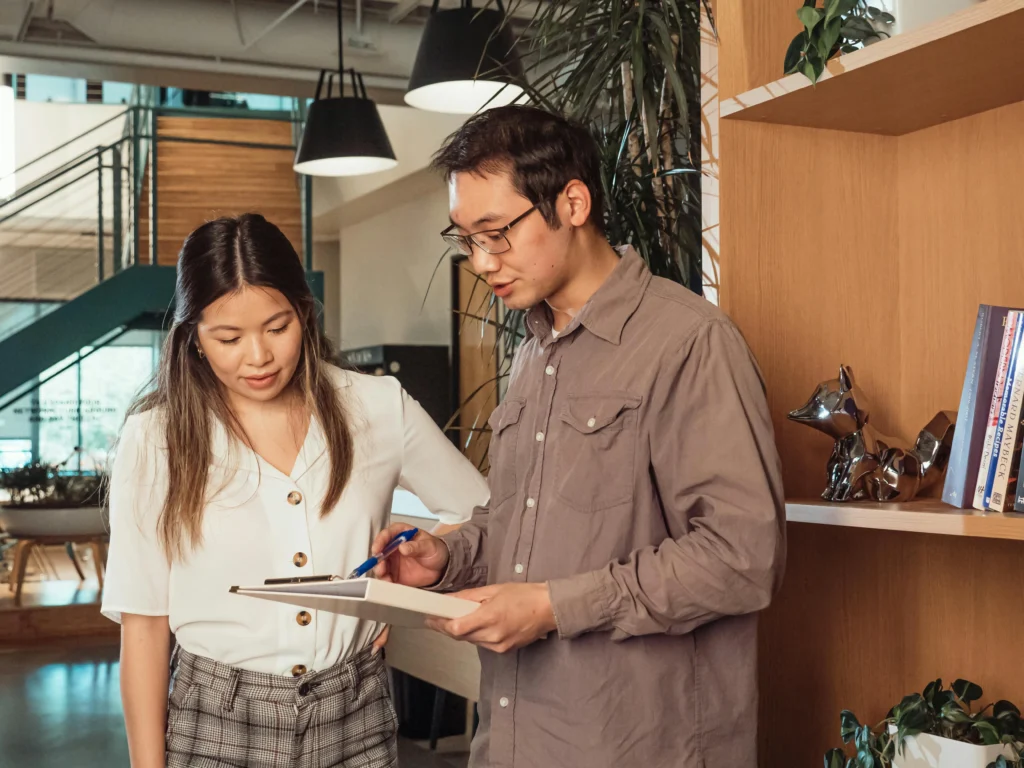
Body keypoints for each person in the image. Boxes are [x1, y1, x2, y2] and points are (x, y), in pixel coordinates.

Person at [371, 105, 787, 768]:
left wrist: (552, 607)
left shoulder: (689, 343)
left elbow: (740, 558)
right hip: (514, 741)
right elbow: (525, 526)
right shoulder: (535, 353)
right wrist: (448, 559)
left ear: (572, 201)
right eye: (466, 240)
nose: (481, 261)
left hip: (637, 747)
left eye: (496, 233)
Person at [101, 213, 489, 768]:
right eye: (228, 338)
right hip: (215, 720)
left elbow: (486, 514)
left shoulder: (377, 406)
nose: (258, 357)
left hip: (356, 713)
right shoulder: (155, 438)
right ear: (192, 338)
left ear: (305, 314)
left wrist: (403, 597)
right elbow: (143, 625)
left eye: (277, 327)